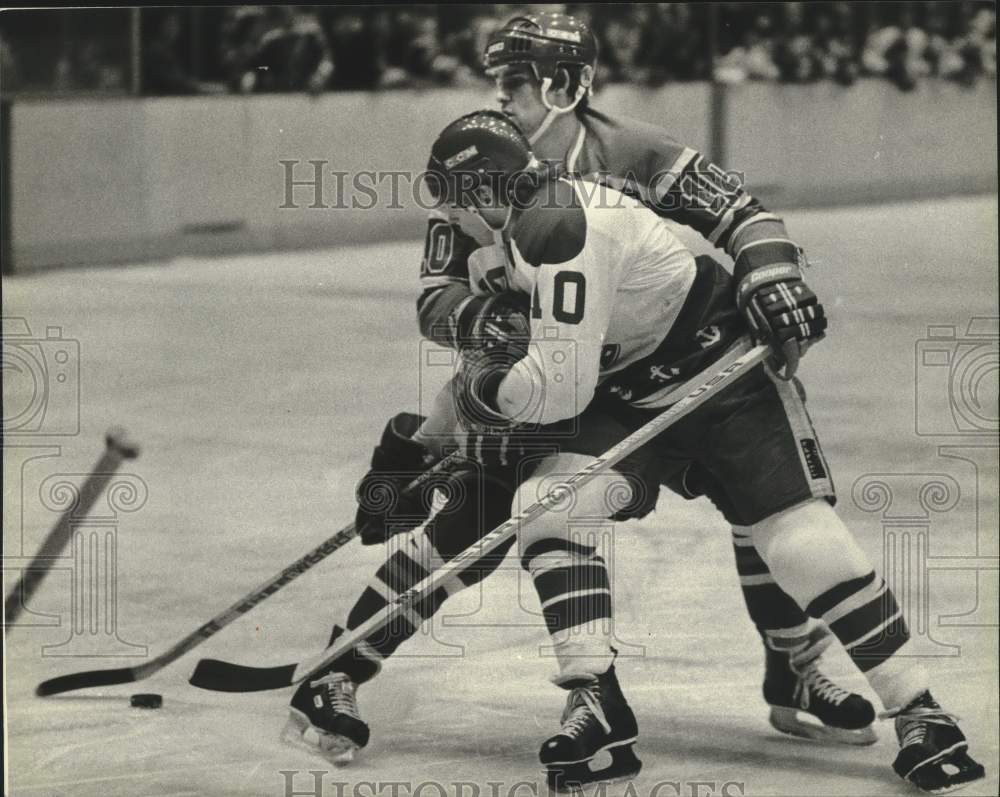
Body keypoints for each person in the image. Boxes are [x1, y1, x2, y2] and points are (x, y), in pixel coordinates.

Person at [303, 110, 985, 794]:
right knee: (543, 504)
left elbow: (554, 388)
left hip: (713, 372)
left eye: (452, 198)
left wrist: (482, 405)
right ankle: (594, 699)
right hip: (618, 388)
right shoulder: (508, 231)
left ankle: (917, 706)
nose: (446, 217)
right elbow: (497, 359)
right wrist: (419, 446)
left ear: (484, 189)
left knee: (797, 539)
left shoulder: (558, 224)